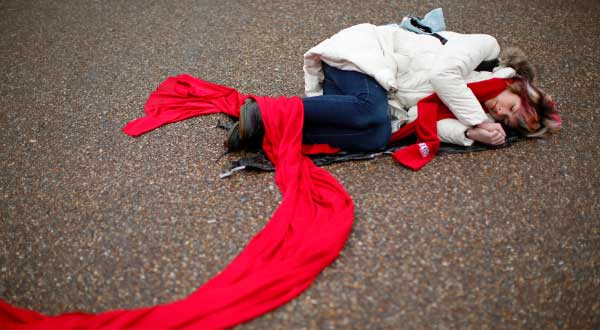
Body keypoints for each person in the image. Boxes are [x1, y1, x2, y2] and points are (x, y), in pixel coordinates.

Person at [225, 23, 561, 153]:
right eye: (512, 107)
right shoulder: (487, 48)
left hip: (377, 87)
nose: (501, 114)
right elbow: (446, 76)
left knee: (377, 135)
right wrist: (477, 121)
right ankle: (264, 109)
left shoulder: (471, 102)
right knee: (368, 109)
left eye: (507, 121)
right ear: (515, 86)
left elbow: (420, 116)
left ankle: (265, 133)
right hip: (366, 53)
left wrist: (470, 135)